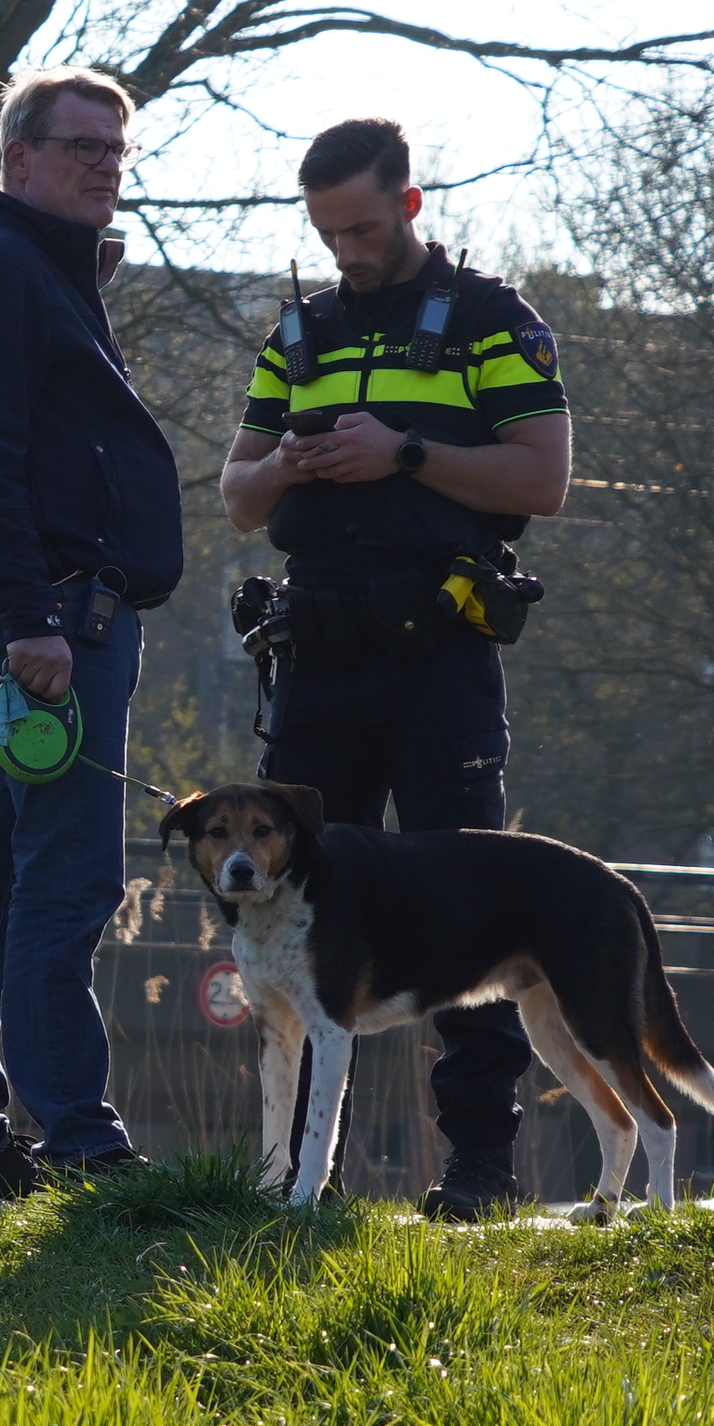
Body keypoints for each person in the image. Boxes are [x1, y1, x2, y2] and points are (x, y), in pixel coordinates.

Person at [219, 118, 569, 1222]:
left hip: (439, 655)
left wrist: (403, 452)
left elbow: (544, 477)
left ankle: (477, 1169)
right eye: (328, 233)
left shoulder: (487, 320)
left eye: (364, 227)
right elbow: (236, 492)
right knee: (285, 912)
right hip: (318, 649)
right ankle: (287, 1172)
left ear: (410, 204)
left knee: (470, 904)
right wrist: (287, 460)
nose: (347, 252)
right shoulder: (300, 332)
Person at [0, 64, 186, 1209]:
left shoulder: (41, 275)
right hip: (53, 620)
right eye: (80, 148)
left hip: (57, 615)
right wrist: (31, 618)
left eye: (116, 154)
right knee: (63, 883)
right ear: (17, 159)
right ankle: (80, 1140)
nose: (102, 168)